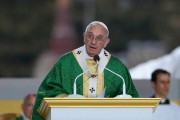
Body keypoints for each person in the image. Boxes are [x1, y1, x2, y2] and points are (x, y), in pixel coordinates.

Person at [32, 21, 139, 119]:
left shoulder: (116, 67)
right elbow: (47, 91)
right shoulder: (66, 62)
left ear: (106, 42)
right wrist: (66, 100)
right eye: (90, 36)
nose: (93, 41)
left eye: (99, 38)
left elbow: (132, 99)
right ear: (84, 37)